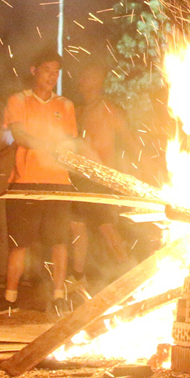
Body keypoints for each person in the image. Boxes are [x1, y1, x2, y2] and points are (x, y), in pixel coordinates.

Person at [0, 51, 77, 318]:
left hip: (59, 180)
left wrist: (59, 146)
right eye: (47, 70)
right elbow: (19, 135)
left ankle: (59, 296)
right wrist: (48, 144)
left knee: (59, 242)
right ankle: (10, 297)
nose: (52, 76)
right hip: (25, 180)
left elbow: (69, 141)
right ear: (33, 70)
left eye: (56, 71)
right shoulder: (18, 101)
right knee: (20, 242)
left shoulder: (66, 105)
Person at [69, 64, 132, 292]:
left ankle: (128, 272)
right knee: (76, 226)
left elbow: (130, 139)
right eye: (82, 76)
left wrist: (144, 166)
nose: (83, 80)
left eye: (89, 75)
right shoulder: (77, 111)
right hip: (80, 178)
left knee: (106, 226)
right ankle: (78, 277)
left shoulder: (109, 109)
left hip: (103, 178)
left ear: (100, 80)